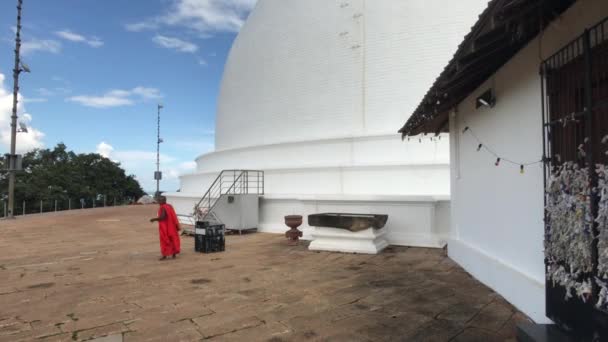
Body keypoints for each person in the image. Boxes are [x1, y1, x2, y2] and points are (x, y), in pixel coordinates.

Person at [150, 196, 181, 260]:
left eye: (159, 201)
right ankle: (173, 254)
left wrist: (154, 219)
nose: (158, 202)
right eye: (158, 200)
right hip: (172, 226)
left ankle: (164, 255)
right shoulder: (169, 206)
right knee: (172, 239)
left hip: (166, 227)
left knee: (165, 240)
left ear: (163, 200)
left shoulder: (163, 207)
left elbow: (162, 217)